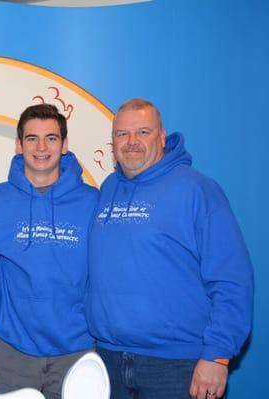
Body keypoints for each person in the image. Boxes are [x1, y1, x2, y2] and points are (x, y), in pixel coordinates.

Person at [86, 98, 254, 399]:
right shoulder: (108, 188)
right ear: (112, 142)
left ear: (162, 137)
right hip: (109, 360)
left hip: (178, 366)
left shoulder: (196, 189)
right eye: (122, 134)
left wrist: (217, 356)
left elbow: (231, 278)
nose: (132, 142)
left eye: (143, 132)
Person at [0, 104, 98, 399]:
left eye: (51, 138)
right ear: (18, 145)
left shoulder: (92, 201)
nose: (41, 147)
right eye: (32, 138)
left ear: (65, 145)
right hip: (13, 352)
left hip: (77, 350)